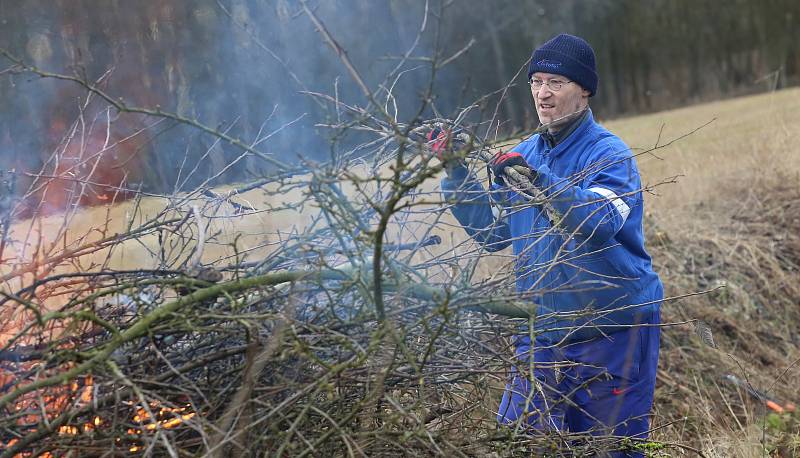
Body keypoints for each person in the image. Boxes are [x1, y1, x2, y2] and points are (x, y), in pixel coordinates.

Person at [433, 34, 663, 456]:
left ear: (584, 89)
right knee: (520, 439)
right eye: (536, 81)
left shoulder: (609, 155)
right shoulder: (524, 154)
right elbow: (492, 234)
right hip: (542, 325)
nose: (542, 93)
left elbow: (596, 222)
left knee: (608, 447)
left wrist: (539, 183)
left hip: (612, 328)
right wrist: (456, 171)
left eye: (555, 82)